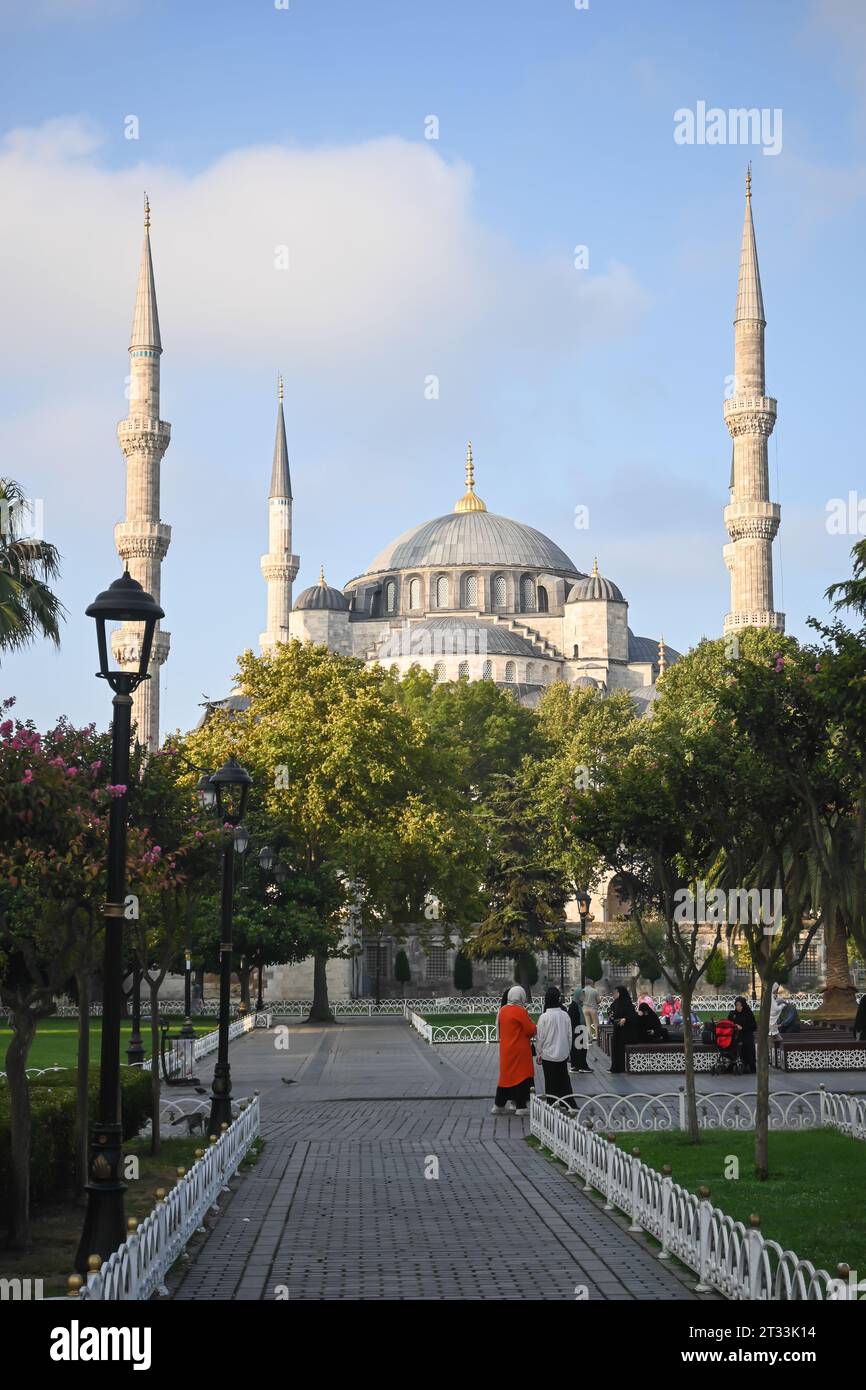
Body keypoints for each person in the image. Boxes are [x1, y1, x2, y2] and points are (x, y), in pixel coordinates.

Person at [492, 985, 537, 1116]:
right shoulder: (520, 1011)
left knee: (506, 1077)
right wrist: (534, 1026)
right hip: (520, 1049)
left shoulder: (503, 1010)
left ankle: (498, 1105)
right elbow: (529, 1030)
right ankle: (521, 1106)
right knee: (521, 1078)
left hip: (506, 1049)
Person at [535, 986, 574, 1102]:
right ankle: (566, 1103)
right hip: (562, 1053)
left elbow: (540, 1038)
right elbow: (569, 1036)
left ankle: (552, 1105)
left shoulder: (544, 1017)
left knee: (550, 1082)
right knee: (563, 1080)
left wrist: (539, 1053)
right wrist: (568, 1051)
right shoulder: (565, 1015)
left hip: (548, 1055)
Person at [609, 985, 638, 1073]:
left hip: (626, 1030)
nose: (615, 994)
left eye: (617, 992)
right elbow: (610, 1010)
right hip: (617, 1029)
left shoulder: (627, 1003)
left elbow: (633, 1017)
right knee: (615, 1048)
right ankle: (616, 1067)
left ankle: (622, 1067)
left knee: (621, 1048)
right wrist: (611, 1015)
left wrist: (625, 1019)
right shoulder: (615, 1002)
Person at [728, 995, 756, 1073]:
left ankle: (749, 1066)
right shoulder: (733, 1014)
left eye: (740, 1005)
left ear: (743, 1005)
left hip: (747, 1035)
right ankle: (737, 1065)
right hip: (736, 1036)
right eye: (736, 1005)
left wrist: (742, 1027)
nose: (738, 1007)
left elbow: (753, 1026)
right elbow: (728, 1023)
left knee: (747, 1045)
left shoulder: (748, 1013)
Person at [568, 987, 591, 1073]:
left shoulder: (578, 1005)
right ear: (578, 995)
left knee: (581, 1049)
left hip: (580, 1030)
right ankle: (579, 1066)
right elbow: (573, 1020)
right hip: (578, 1031)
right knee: (578, 1049)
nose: (584, 997)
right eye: (582, 995)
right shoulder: (574, 1006)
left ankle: (579, 1065)